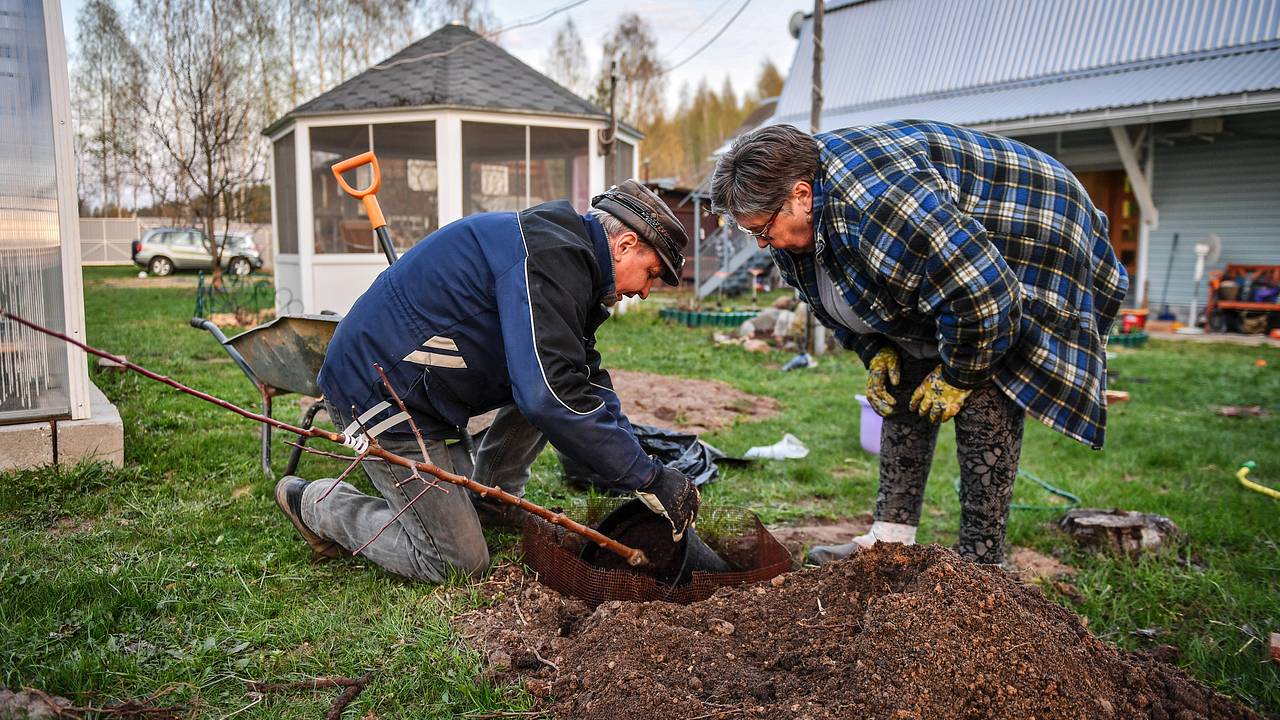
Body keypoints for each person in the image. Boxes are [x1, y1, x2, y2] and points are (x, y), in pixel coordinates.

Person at [710, 121, 1127, 566]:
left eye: (762, 229)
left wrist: (958, 374)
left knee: (986, 385)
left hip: (1038, 223)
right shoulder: (792, 226)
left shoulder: (880, 206)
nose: (759, 243)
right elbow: (831, 298)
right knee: (901, 374)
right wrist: (874, 349)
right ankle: (890, 541)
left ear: (801, 195)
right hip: (955, 253)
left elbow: (986, 295)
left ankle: (982, 564)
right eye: (751, 231)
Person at [274, 180, 700, 582]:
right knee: (456, 561)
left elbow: (577, 379)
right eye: (652, 273)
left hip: (427, 398)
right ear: (626, 246)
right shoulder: (549, 258)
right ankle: (315, 503)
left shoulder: (566, 263)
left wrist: (649, 470)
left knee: (555, 382)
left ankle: (494, 502)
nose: (646, 291)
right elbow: (547, 397)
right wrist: (644, 477)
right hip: (379, 394)